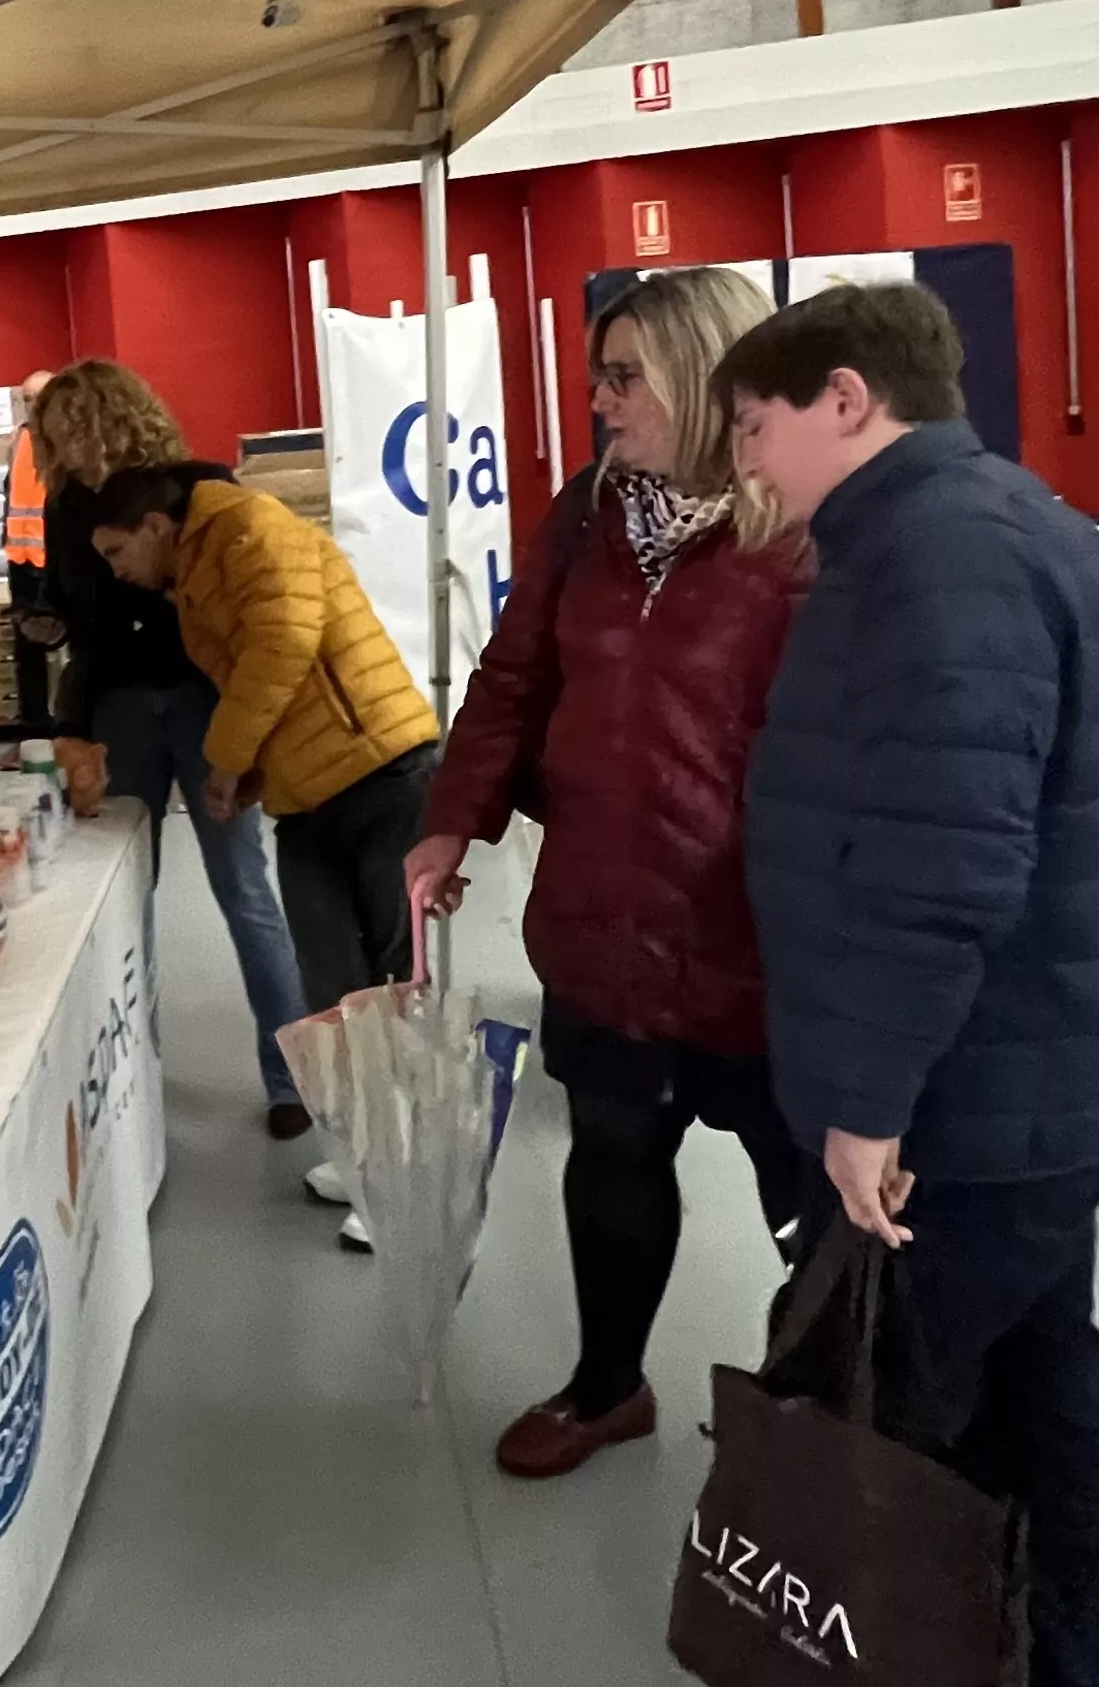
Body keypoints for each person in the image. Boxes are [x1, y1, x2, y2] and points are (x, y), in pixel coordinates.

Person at [717, 281, 1099, 1687]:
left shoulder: (940, 562)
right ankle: (1078, 1660)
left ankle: (960, 1652)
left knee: (915, 1418)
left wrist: (866, 1105)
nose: (746, 461)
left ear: (849, 400)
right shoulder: (978, 524)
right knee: (1044, 1378)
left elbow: (941, 866)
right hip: (1046, 1059)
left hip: (986, 1094)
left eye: (758, 424)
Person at [404, 267, 816, 1478]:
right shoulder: (586, 514)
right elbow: (515, 676)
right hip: (601, 914)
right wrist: (451, 823)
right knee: (615, 1158)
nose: (601, 401)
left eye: (626, 375)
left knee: (818, 1206)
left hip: (761, 939)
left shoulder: (802, 525)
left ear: (705, 376)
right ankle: (606, 1387)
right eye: (602, 375)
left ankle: (818, 1422)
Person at [28, 362, 314, 1143]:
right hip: (117, 707)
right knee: (120, 892)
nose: (65, 451)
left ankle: (291, 1077)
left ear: (111, 420)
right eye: (53, 439)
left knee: (243, 888)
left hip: (200, 701)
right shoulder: (67, 507)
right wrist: (69, 719)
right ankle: (133, 1073)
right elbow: (79, 625)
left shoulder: (199, 489)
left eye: (72, 432)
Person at [81, 459, 441, 1049]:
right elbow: (262, 677)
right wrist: (249, 773)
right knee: (333, 992)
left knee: (397, 982)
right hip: (305, 799)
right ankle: (358, 1132)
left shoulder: (251, 527)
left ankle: (414, 1130)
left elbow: (284, 643)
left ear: (154, 526)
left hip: (379, 771)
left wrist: (225, 760)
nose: (117, 571)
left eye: (118, 551)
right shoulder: (194, 574)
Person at [1, 368, 55, 738]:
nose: (32, 406)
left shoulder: (70, 441)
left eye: (39, 398)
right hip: (22, 561)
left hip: (56, 560)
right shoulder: (18, 439)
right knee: (28, 651)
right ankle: (34, 730)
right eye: (27, 399)